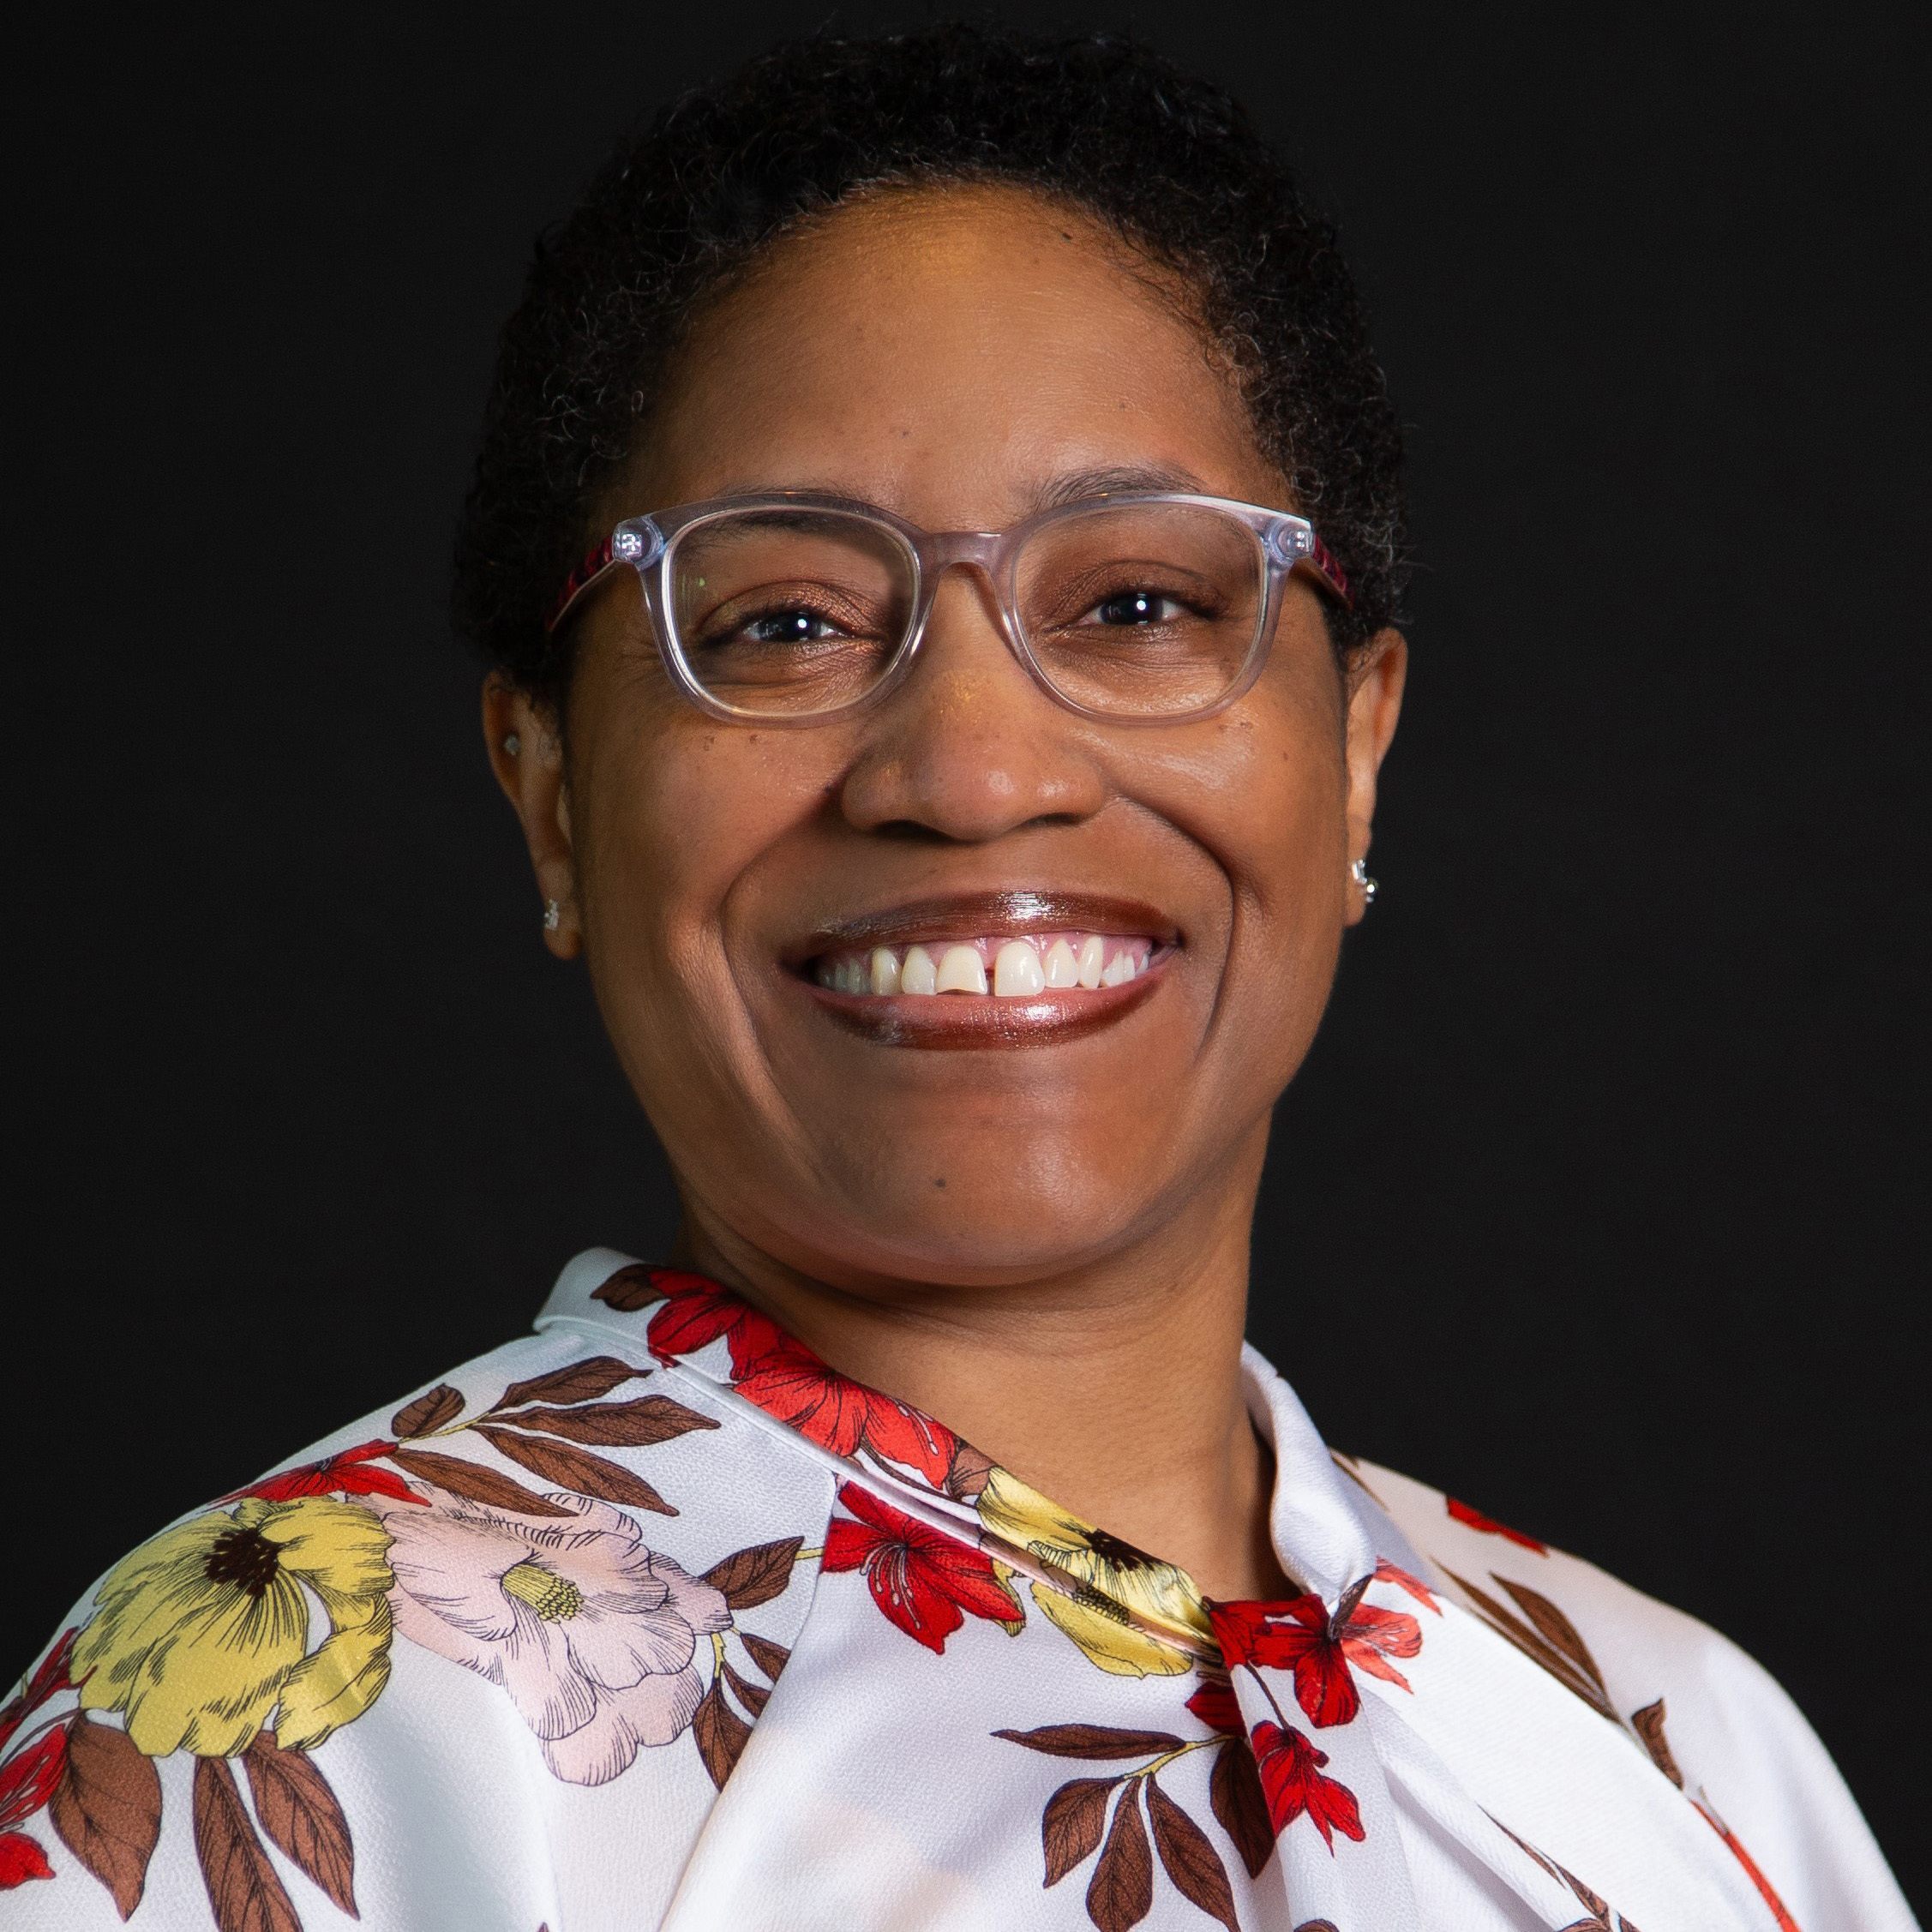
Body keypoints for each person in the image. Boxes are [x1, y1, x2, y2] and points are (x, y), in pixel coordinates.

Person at [0, 25, 1911, 1932]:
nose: (976, 769)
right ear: (553, 796)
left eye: (1139, 601)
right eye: (784, 620)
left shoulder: (1678, 1749)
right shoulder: (280, 1734)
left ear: (1353, 753)